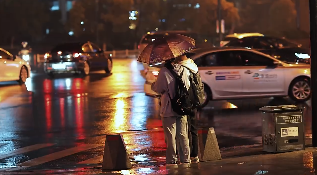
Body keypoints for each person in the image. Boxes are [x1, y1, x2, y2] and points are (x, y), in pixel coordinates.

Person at [151, 53, 198, 164]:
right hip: (182, 107)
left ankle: (172, 160)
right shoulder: (184, 69)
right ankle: (185, 160)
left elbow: (158, 88)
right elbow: (187, 86)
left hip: (168, 108)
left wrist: (154, 84)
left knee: (171, 137)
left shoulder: (164, 71)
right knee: (183, 135)